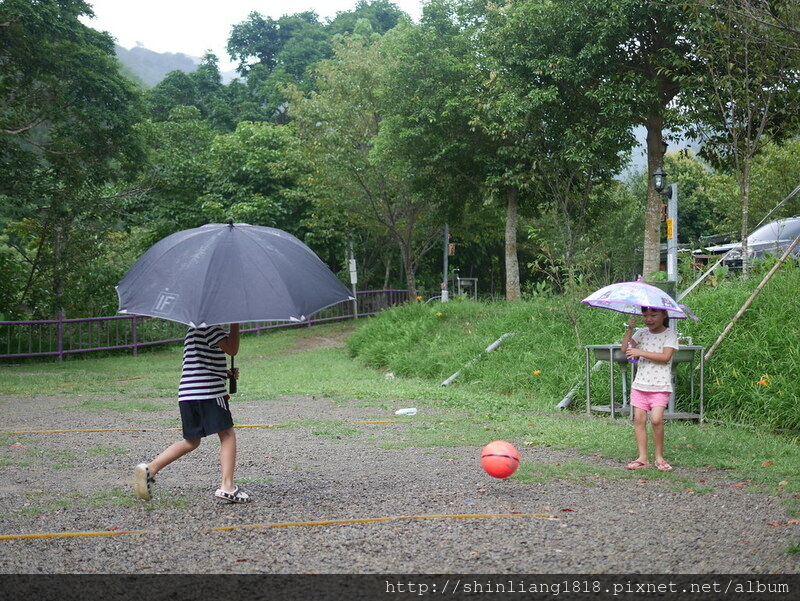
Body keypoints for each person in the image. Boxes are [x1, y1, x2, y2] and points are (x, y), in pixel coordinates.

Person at [133, 323, 251, 503]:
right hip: (208, 392)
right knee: (227, 434)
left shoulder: (194, 329)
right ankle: (227, 486)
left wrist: (226, 373)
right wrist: (235, 326)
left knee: (191, 441)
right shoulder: (211, 327)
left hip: (188, 394)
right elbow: (232, 349)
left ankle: (150, 469)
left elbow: (201, 362)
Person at [621, 307, 678, 472]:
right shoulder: (641, 333)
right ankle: (642, 458)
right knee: (639, 419)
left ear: (664, 315)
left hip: (660, 385)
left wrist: (641, 352)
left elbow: (665, 357)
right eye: (645, 315)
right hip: (640, 385)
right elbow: (625, 348)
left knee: (656, 420)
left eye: (653, 315)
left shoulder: (669, 335)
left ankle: (659, 457)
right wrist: (630, 330)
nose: (648, 319)